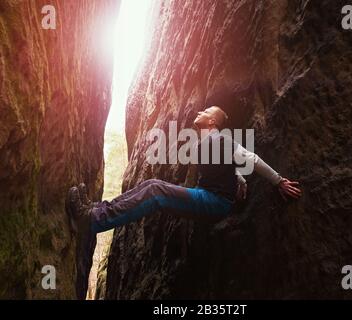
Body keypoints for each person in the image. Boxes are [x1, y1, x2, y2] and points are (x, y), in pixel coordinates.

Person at [66, 105, 302, 299]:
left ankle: (90, 220)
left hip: (213, 202)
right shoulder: (204, 144)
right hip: (209, 197)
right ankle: (94, 210)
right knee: (151, 187)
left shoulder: (220, 138)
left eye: (206, 111)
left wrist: (278, 181)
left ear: (212, 122)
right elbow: (229, 165)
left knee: (155, 191)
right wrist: (238, 179)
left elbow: (250, 158)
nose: (200, 112)